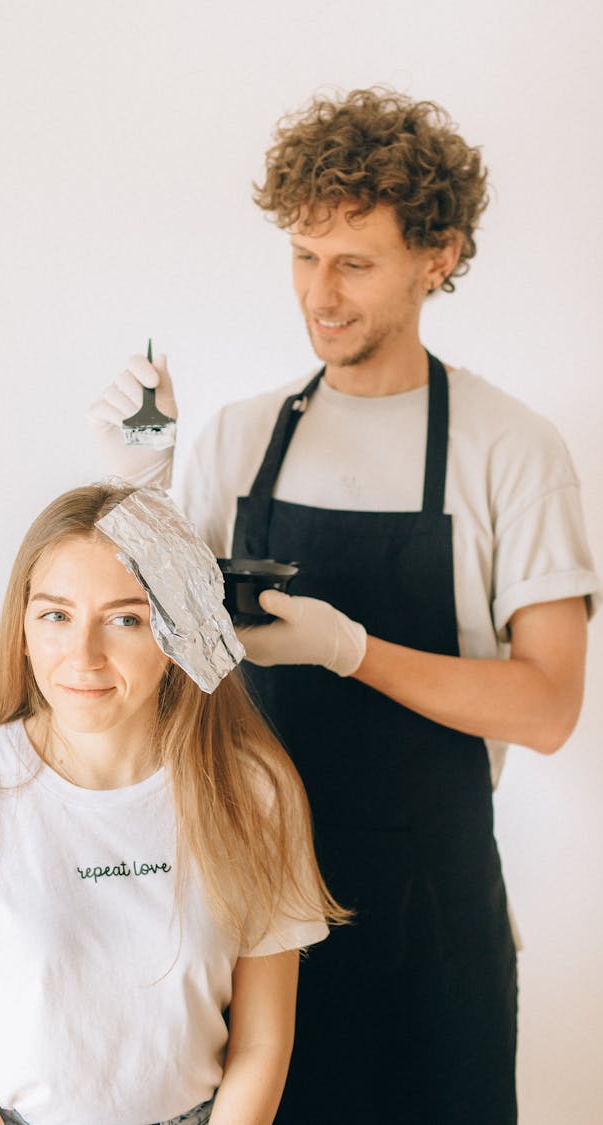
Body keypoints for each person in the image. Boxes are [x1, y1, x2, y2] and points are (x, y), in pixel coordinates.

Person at [88, 88, 599, 1124]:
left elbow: (548, 709)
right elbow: (153, 666)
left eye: (354, 264)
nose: (320, 295)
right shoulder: (238, 438)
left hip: (434, 919)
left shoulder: (511, 450)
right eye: (303, 257)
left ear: (437, 255)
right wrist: (140, 494)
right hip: (249, 908)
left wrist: (353, 651)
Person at [0, 482, 346, 1125]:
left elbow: (261, 1043)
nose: (83, 656)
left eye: (127, 619)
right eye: (56, 616)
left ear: (177, 637)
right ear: (24, 632)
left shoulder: (255, 791)